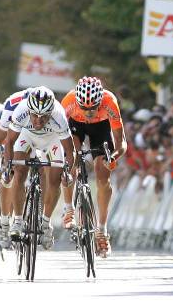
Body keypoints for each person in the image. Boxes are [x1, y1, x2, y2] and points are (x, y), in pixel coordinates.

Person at [61, 76, 127, 258]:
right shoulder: (68, 102)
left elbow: (122, 143)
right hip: (75, 126)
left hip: (101, 128)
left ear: (100, 101)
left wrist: (113, 157)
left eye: (93, 107)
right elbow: (57, 134)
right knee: (71, 157)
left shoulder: (109, 102)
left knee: (102, 176)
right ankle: (69, 208)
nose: (89, 112)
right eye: (85, 108)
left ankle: (102, 230)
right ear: (78, 102)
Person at [3, 86, 75, 250]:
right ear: (29, 111)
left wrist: (68, 172)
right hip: (26, 137)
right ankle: (18, 221)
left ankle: (45, 223)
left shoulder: (59, 116)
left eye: (44, 117)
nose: (38, 121)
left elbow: (70, 151)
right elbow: (8, 142)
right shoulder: (21, 111)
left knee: (55, 180)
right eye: (34, 115)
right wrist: (9, 167)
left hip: (52, 141)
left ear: (51, 113)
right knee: (19, 172)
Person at [0, 88, 32, 249]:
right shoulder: (11, 109)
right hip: (12, 138)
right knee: (8, 176)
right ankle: (5, 221)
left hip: (38, 136)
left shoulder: (47, 109)